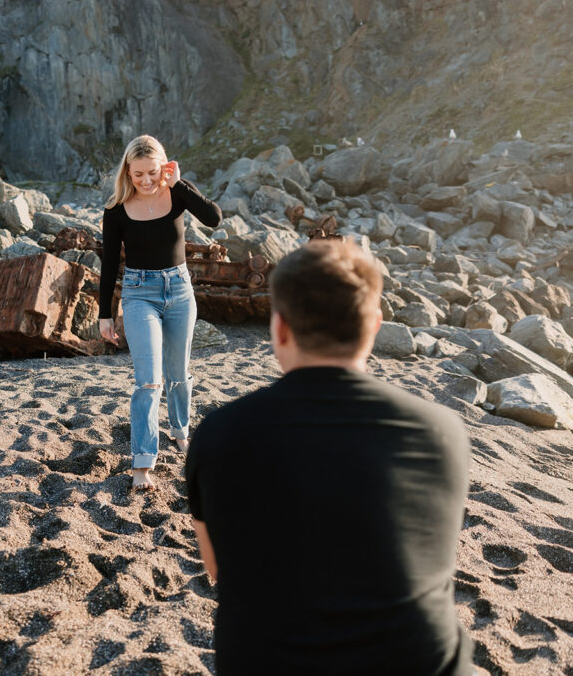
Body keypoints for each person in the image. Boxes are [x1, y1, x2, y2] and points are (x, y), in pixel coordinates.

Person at [186, 240, 472, 674]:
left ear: (279, 328)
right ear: (374, 327)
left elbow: (217, 568)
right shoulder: (443, 432)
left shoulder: (220, 433)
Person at [98, 135, 221, 491]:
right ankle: (142, 464)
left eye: (152, 172)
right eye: (138, 175)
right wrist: (105, 314)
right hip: (139, 295)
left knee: (178, 373)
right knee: (148, 380)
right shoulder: (116, 209)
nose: (147, 181)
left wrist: (179, 181)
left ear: (163, 167)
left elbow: (213, 218)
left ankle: (180, 430)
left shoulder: (178, 192)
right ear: (127, 172)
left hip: (180, 291)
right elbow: (108, 265)